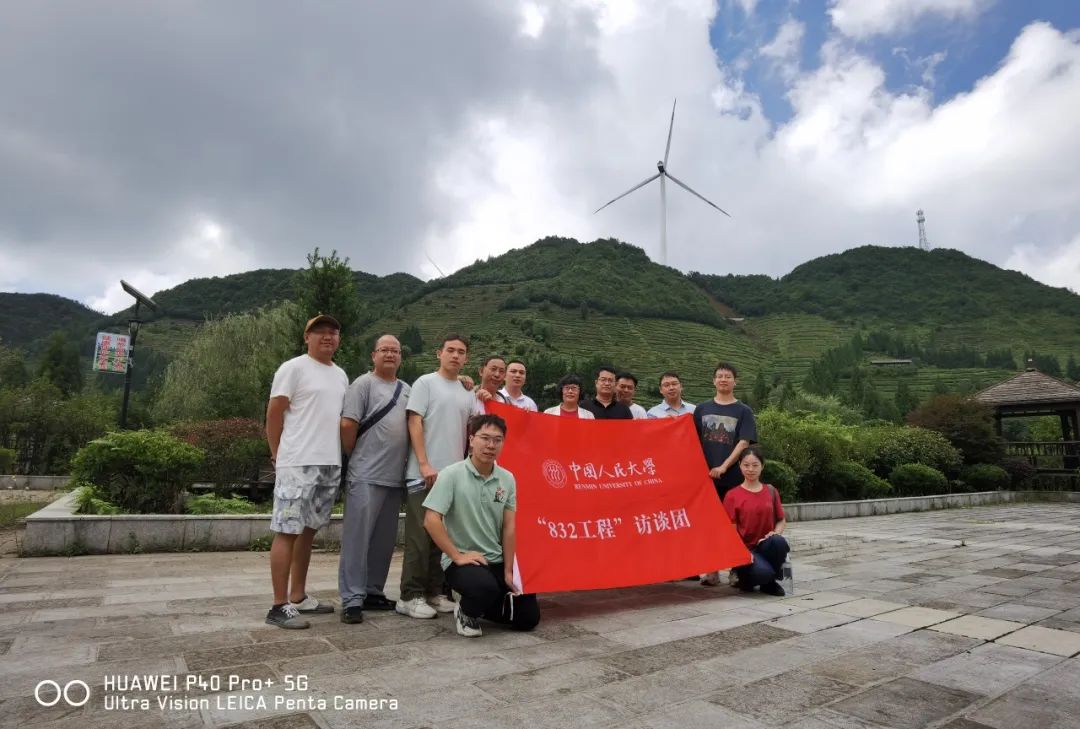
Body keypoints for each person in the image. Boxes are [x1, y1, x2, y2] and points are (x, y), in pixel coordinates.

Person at [264, 314, 349, 629]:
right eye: (320, 331)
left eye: (333, 331)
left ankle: (298, 596)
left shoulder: (340, 375)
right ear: (307, 337)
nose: (327, 336)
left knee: (309, 530)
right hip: (298, 462)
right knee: (287, 530)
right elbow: (274, 412)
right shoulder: (293, 368)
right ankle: (278, 605)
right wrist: (277, 453)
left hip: (329, 462)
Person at [423, 414, 540, 637]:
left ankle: (481, 602)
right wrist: (457, 556)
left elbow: (509, 527)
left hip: (495, 559)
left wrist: (509, 570)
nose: (490, 445)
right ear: (471, 440)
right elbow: (430, 519)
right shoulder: (451, 474)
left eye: (497, 440)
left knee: (528, 617)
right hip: (463, 561)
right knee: (483, 588)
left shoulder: (507, 478)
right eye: (484, 438)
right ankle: (466, 611)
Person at [397, 335, 476, 619]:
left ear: (466, 358)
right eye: (450, 350)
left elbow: (473, 429)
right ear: (439, 353)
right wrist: (423, 463)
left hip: (452, 477)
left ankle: (434, 592)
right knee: (419, 538)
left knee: (440, 539)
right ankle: (409, 596)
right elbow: (414, 421)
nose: (455, 355)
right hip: (424, 474)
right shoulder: (425, 383)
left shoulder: (467, 391)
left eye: (461, 352)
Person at [338, 334, 410, 624]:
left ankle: (372, 591)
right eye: (384, 350)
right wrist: (356, 455)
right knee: (357, 540)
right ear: (374, 355)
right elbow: (348, 424)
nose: (390, 354)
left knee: (384, 541)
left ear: (400, 357)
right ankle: (352, 598)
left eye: (395, 351)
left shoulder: (407, 389)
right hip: (365, 474)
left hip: (394, 477)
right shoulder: (363, 384)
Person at [706, 446, 788, 595]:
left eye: (755, 465)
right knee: (763, 573)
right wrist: (741, 552)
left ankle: (769, 583)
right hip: (746, 551)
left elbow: (781, 520)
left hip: (765, 545)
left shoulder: (771, 491)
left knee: (779, 542)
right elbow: (730, 531)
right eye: (746, 465)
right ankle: (748, 577)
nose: (751, 469)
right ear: (740, 466)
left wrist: (775, 533)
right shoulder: (732, 495)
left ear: (762, 466)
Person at [694, 362, 757, 501]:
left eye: (728, 377)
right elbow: (693, 439)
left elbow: (744, 443)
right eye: (720, 376)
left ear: (735, 382)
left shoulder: (744, 411)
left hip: (733, 477)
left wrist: (723, 467)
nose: (723, 379)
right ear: (714, 381)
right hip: (705, 477)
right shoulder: (701, 409)